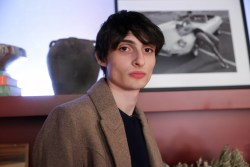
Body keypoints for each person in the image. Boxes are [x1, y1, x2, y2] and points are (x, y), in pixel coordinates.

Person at [32, 10, 165, 167]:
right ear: (101, 58)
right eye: (125, 48)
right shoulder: (68, 118)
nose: (140, 61)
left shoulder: (140, 121)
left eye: (147, 50)